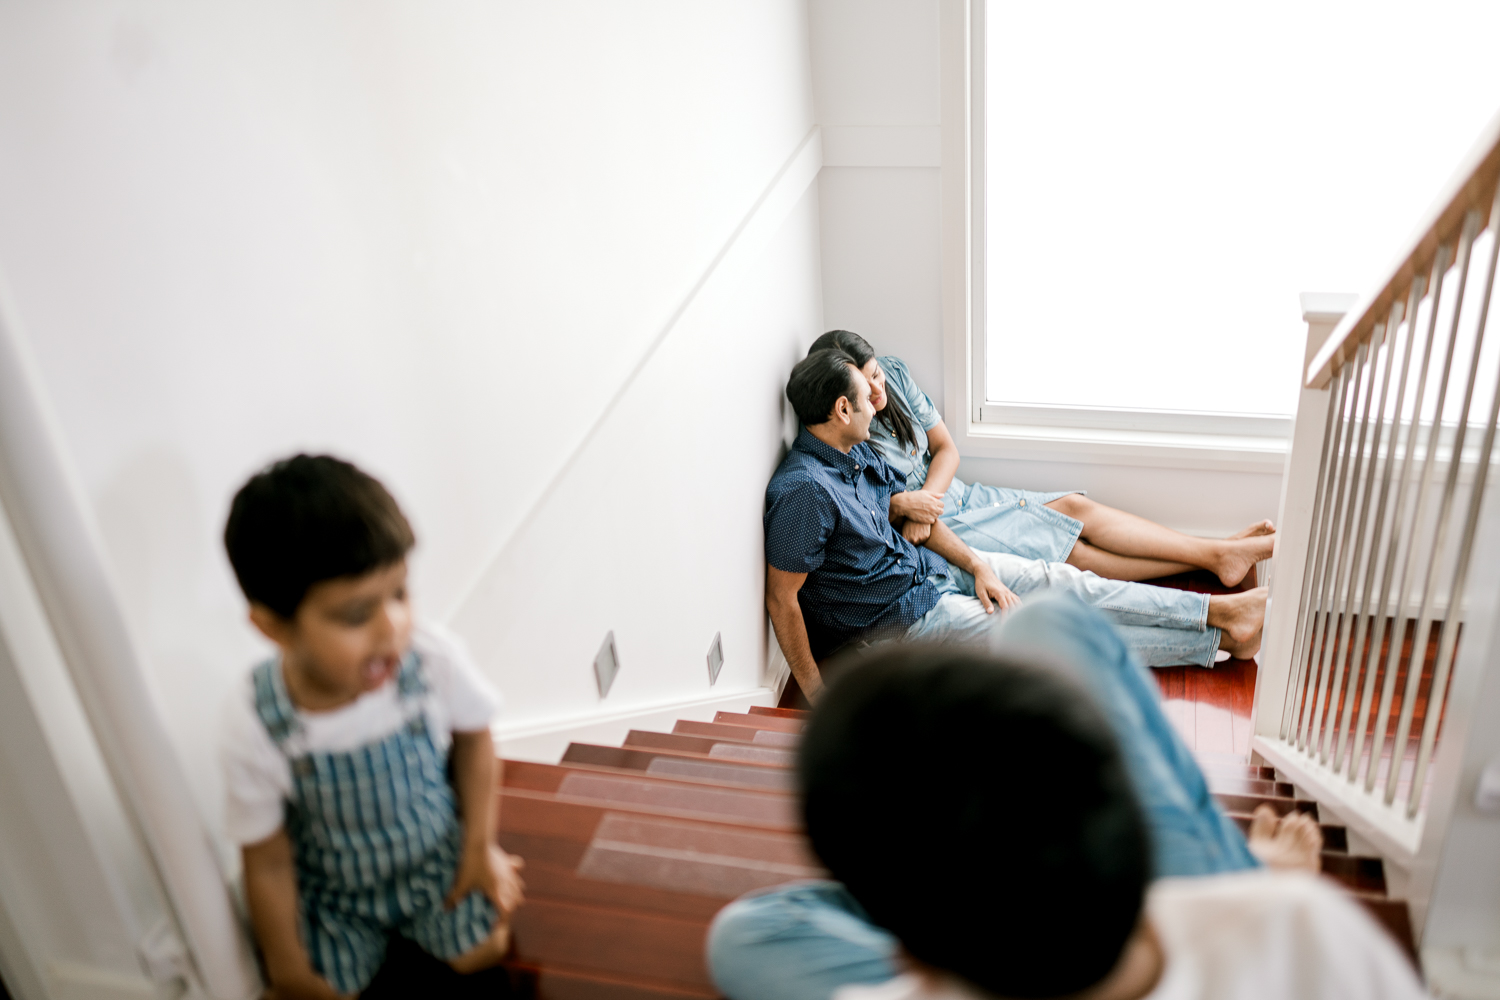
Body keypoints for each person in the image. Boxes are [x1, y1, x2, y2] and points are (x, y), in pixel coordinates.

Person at [706, 597, 1424, 1000]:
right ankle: (1230, 864)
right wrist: (1254, 889)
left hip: (994, 949)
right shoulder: (1301, 927)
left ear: (915, 964)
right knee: (1042, 621)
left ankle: (947, 883)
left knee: (742, 937)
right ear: (1131, 818)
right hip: (1209, 900)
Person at [765, 349, 1267, 700]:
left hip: (932, 569)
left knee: (1067, 582)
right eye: (864, 397)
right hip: (901, 622)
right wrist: (816, 694)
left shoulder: (854, 456)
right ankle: (1218, 639)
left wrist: (978, 566)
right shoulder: (804, 491)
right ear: (841, 408)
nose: (877, 407)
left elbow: (915, 517)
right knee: (1048, 637)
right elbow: (782, 599)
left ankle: (1216, 611)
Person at [218, 455, 524, 999]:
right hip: (335, 892)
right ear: (273, 628)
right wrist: (288, 969)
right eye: (357, 615)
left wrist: (480, 847)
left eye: (400, 593)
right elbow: (265, 859)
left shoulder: (430, 661)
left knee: (486, 952)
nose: (393, 627)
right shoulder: (257, 720)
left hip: (435, 857)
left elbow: (476, 739)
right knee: (325, 990)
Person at [807, 331, 1275, 585]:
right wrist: (912, 510)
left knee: (1073, 507)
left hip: (954, 496)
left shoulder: (894, 374)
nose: (877, 389)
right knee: (1073, 553)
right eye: (866, 384)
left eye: (877, 377)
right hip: (939, 532)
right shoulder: (848, 432)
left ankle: (1218, 554)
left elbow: (947, 448)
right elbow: (869, 507)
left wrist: (929, 496)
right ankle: (1216, 556)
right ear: (842, 396)